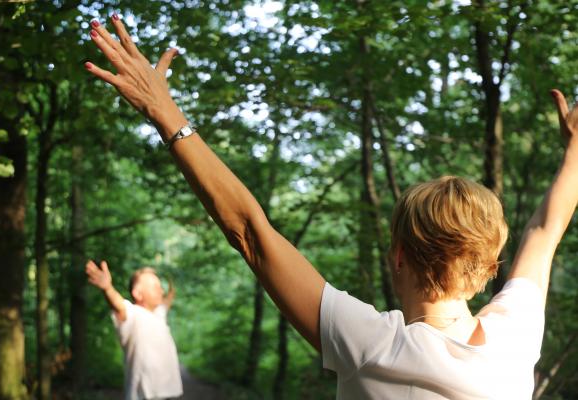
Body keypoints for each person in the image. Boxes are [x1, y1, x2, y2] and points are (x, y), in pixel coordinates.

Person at [83, 14, 578, 399]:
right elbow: (545, 229)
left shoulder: (371, 345)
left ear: (399, 255)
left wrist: (164, 111)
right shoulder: (516, 338)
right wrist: (575, 147)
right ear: (490, 265)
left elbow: (251, 234)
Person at [85, 260, 182, 400]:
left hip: (167, 393)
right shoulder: (133, 314)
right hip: (143, 396)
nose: (161, 290)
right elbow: (118, 305)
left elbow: (167, 300)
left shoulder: (159, 315)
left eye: (161, 287)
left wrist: (172, 287)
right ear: (138, 294)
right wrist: (107, 288)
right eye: (155, 287)